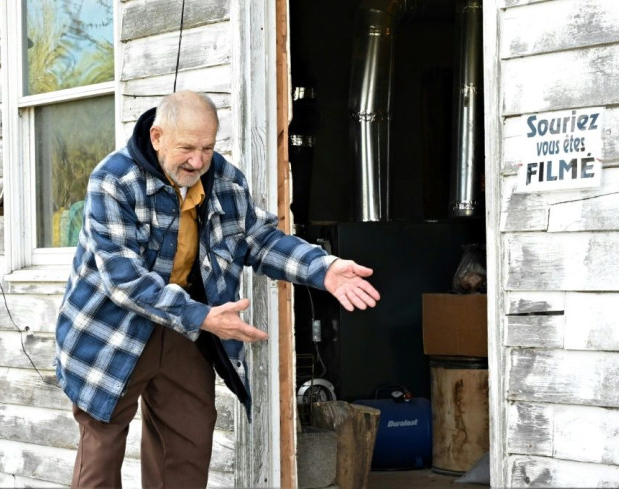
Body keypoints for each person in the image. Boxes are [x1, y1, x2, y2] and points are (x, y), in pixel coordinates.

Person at [55, 91, 380, 488]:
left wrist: (321, 268)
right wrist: (204, 316)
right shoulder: (114, 180)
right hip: (111, 328)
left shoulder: (223, 178)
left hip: (183, 327)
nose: (198, 161)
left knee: (188, 449)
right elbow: (123, 278)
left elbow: (256, 239)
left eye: (207, 148)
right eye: (187, 148)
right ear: (157, 137)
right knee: (100, 460)